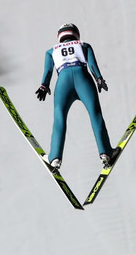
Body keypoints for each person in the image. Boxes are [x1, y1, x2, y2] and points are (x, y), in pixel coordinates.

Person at [36, 23, 115, 170]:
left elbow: (48, 71)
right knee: (95, 113)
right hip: (83, 78)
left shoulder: (51, 51)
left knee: (59, 117)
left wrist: (44, 85)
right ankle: (105, 152)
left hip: (63, 81)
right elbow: (92, 65)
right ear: (76, 34)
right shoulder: (84, 45)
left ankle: (54, 158)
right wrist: (99, 78)